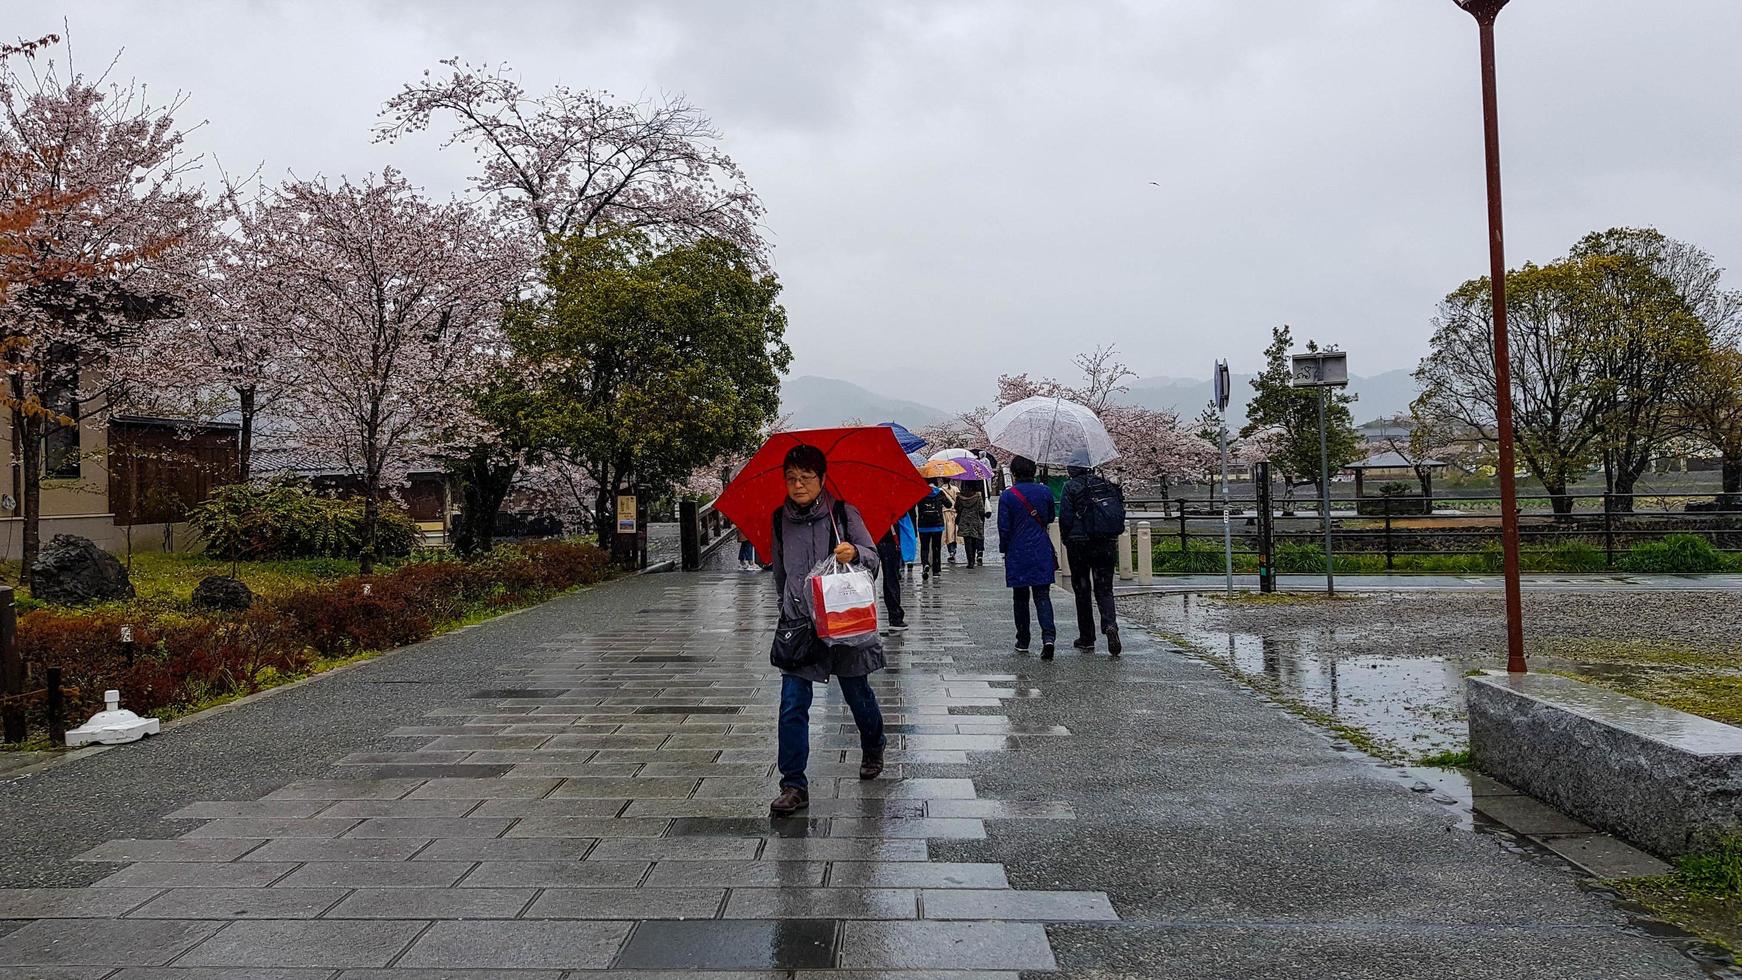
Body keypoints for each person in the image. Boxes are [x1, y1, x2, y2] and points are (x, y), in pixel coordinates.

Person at [768, 444, 887, 817]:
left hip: (843, 623)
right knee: (792, 705)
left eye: (806, 478)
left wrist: (856, 554)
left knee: (857, 694)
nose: (798, 485)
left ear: (821, 479)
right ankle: (793, 785)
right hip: (800, 626)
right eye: (791, 479)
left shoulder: (843, 513)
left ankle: (873, 742)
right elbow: (780, 573)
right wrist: (786, 609)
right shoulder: (778, 519)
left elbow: (873, 558)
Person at [1060, 464, 1125, 656]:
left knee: (1082, 589)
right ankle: (1110, 625)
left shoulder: (1071, 487)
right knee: (1105, 588)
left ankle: (1087, 637)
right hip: (1105, 543)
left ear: (1073, 469)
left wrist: (1066, 538)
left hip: (1079, 544)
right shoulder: (1107, 485)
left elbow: (1065, 517)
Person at [998, 455, 1058, 659]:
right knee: (1042, 595)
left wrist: (1004, 549)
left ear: (1014, 474)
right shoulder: (1045, 491)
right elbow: (1050, 517)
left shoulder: (1008, 496)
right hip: (1041, 548)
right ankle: (1048, 637)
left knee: (1020, 597)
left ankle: (1023, 639)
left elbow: (1004, 528)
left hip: (1018, 550)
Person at [876, 516, 910, 632]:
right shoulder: (889, 500)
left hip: (870, 536)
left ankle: (863, 616)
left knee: (866, 579)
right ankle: (895, 616)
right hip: (888, 536)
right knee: (891, 578)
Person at [914, 480, 950, 582]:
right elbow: (949, 504)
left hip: (923, 525)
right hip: (937, 526)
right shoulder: (939, 492)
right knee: (936, 548)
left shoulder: (920, 492)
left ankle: (925, 563)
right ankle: (936, 570)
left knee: (924, 547)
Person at [955, 480, 987, 568]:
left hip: (964, 520)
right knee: (974, 539)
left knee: (967, 540)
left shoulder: (960, 496)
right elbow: (981, 509)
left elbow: (956, 507)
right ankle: (974, 557)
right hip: (975, 520)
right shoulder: (978, 496)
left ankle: (970, 561)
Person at [942, 480, 961, 563]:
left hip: (945, 514)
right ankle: (953, 551)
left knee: (948, 534)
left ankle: (951, 551)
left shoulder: (940, 490)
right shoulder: (955, 489)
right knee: (954, 533)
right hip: (954, 513)